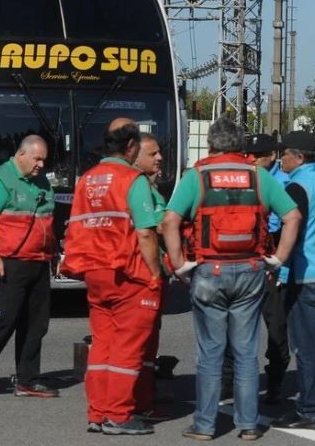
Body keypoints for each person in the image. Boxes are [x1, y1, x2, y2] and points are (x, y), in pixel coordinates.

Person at [161, 116, 301, 441]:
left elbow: (170, 222)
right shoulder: (259, 176)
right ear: (241, 144)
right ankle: (248, 424)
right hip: (251, 269)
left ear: (211, 143)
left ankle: (205, 425)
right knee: (246, 351)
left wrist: (180, 265)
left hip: (209, 269)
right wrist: (278, 259)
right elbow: (292, 216)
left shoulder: (197, 177)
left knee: (210, 351)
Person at [61, 119, 162, 436]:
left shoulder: (87, 179)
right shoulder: (133, 179)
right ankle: (118, 415)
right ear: (131, 147)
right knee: (127, 348)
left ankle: (98, 412)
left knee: (103, 344)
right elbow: (145, 232)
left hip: (94, 272)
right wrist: (156, 274)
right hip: (128, 273)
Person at [0, 135, 58, 399]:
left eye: (44, 160)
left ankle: (27, 379)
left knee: (36, 324)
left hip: (38, 262)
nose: (41, 164)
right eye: (37, 159)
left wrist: (54, 251)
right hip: (9, 262)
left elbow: (47, 220)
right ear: (21, 155)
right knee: (3, 323)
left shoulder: (42, 181)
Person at [271, 130, 315, 431]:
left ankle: (308, 411)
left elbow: (292, 231)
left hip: (305, 273)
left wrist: (278, 264)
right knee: (313, 342)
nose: (281, 158)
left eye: (285, 153)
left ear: (299, 157)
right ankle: (310, 404)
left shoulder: (298, 185)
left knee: (305, 346)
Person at [219, 133, 293, 404]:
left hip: (271, 266)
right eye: (248, 155)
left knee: (275, 329)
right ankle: (227, 384)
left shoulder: (280, 182)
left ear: (270, 156)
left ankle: (275, 384)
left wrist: (278, 261)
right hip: (244, 264)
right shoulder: (247, 178)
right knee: (232, 327)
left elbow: (286, 222)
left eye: (256, 157)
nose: (250, 160)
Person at [132, 132, 169, 418]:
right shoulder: (137, 186)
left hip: (146, 268)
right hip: (144, 271)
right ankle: (139, 401)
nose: (159, 158)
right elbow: (150, 228)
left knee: (148, 337)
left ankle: (142, 397)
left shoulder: (146, 185)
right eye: (152, 154)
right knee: (141, 339)